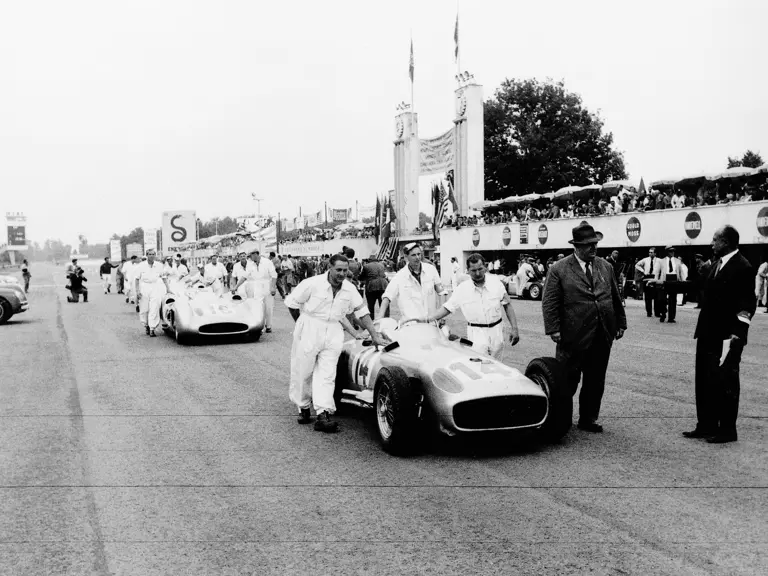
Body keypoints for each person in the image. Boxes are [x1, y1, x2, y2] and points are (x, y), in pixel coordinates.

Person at [285, 253, 389, 433]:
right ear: (329, 268)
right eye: (338, 270)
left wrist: (374, 335)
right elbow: (292, 303)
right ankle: (303, 406)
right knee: (304, 370)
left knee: (327, 373)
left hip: (333, 331)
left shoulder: (349, 289)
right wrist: (302, 324)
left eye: (345, 270)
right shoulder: (312, 284)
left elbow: (362, 312)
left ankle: (323, 413)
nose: (342, 274)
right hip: (310, 326)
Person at [541, 223, 627, 433]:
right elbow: (549, 301)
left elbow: (615, 297)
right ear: (577, 246)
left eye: (595, 244)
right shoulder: (558, 269)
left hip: (601, 333)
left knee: (595, 379)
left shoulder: (605, 266)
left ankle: (588, 419)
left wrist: (620, 322)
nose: (593, 248)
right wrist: (554, 328)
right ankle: (562, 419)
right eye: (588, 245)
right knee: (567, 380)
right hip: (572, 335)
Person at [684, 225, 756, 444]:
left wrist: (739, 333)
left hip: (727, 335)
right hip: (707, 332)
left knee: (725, 382)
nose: (711, 243)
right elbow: (697, 287)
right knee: (704, 380)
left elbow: (747, 304)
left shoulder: (743, 266)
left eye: (715, 240)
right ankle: (705, 425)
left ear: (726, 242)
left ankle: (726, 430)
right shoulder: (717, 264)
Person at [421, 253, 520, 359]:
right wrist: (428, 319)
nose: (478, 273)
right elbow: (447, 308)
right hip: (476, 335)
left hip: (497, 332)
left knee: (497, 366)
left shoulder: (496, 283)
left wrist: (514, 328)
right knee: (479, 367)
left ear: (485, 267)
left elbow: (507, 305)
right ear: (467, 270)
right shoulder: (462, 289)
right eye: (473, 271)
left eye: (480, 269)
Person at [378, 242, 447, 320]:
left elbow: (442, 292)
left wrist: (441, 315)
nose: (417, 257)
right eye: (413, 255)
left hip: (431, 322)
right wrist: (380, 316)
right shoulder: (400, 276)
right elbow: (387, 296)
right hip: (410, 324)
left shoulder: (431, 270)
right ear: (406, 257)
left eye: (419, 254)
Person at [233, 250, 278, 333]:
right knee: (258, 306)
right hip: (257, 287)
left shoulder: (267, 262)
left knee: (268, 307)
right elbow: (244, 277)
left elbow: (274, 275)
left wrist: (273, 287)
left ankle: (268, 326)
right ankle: (260, 326)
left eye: (252, 255)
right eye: (250, 256)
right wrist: (236, 286)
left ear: (256, 254)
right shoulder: (251, 265)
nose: (250, 257)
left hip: (267, 284)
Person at [134, 249, 167, 337]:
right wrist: (137, 291)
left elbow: (164, 278)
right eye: (150, 254)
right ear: (147, 255)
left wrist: (168, 289)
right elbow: (137, 279)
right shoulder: (141, 266)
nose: (151, 256)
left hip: (155, 286)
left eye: (153, 254)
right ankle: (146, 325)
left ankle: (152, 328)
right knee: (144, 309)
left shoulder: (159, 265)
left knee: (155, 307)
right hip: (144, 286)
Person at [654, 246, 687, 324]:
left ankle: (671, 317)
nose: (672, 253)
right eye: (670, 251)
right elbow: (657, 272)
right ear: (666, 252)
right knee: (662, 299)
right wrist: (656, 281)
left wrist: (683, 281)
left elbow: (681, 272)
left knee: (673, 299)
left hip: (674, 279)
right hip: (665, 280)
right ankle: (663, 313)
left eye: (673, 251)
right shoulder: (661, 261)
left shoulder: (678, 261)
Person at [358, 253, 389, 317]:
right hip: (383, 285)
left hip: (372, 286)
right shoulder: (382, 265)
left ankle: (371, 320)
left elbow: (361, 277)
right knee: (383, 304)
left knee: (371, 305)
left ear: (369, 260)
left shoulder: (366, 266)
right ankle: (385, 319)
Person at [635, 248, 659, 318]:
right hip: (647, 277)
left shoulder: (659, 260)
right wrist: (643, 271)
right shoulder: (645, 260)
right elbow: (637, 265)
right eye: (649, 252)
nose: (650, 254)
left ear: (655, 253)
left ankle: (657, 312)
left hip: (655, 278)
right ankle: (649, 312)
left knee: (656, 297)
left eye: (652, 252)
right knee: (648, 297)